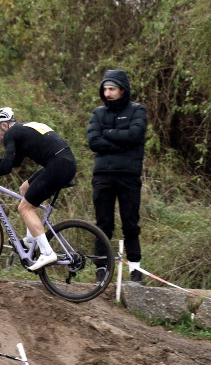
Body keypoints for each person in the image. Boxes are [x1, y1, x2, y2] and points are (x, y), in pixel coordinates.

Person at [0, 107, 77, 272]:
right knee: (25, 189)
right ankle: (31, 240)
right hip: (62, 162)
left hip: (59, 165)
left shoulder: (11, 134)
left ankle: (47, 252)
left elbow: (5, 167)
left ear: (5, 125)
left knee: (24, 208)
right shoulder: (21, 130)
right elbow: (14, 162)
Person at [86, 69, 148, 283]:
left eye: (112, 89)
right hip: (103, 175)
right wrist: (121, 142)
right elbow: (93, 141)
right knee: (103, 224)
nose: (108, 93)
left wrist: (109, 134)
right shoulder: (97, 113)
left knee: (130, 223)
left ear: (122, 90)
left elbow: (135, 135)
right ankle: (101, 270)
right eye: (105, 89)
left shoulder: (137, 111)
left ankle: (135, 270)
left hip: (128, 175)